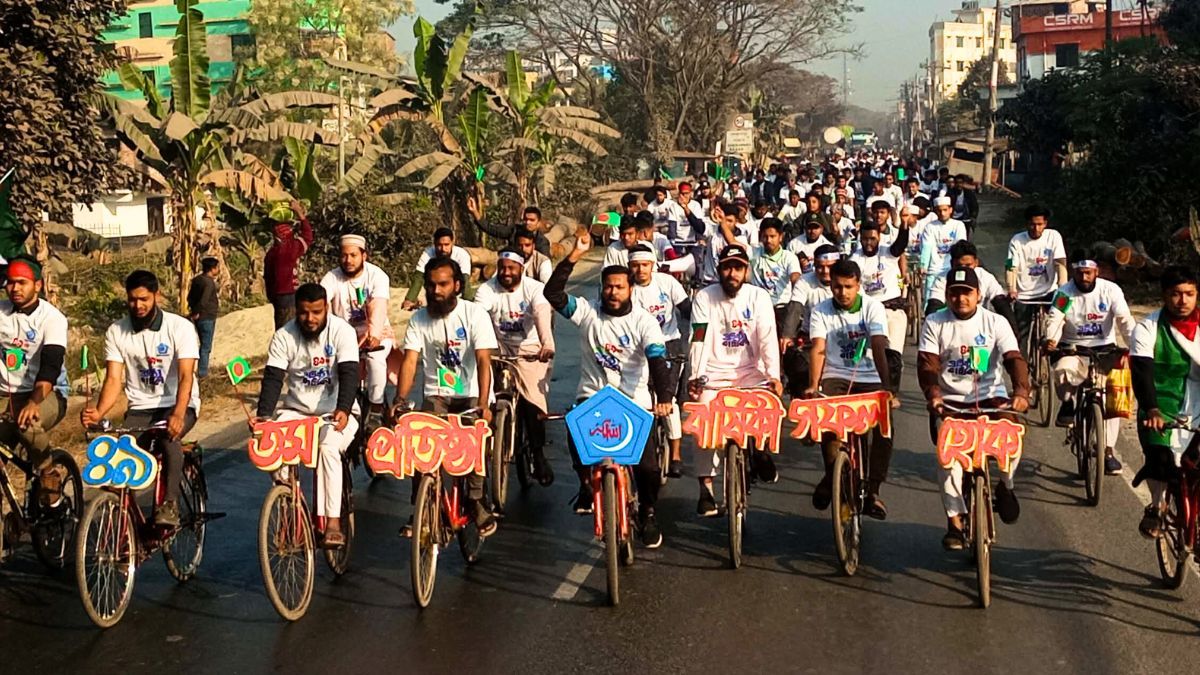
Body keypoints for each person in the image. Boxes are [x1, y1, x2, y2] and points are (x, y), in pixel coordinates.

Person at [543, 229, 673, 548]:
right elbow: (553, 294)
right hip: (593, 399)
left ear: (631, 289)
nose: (613, 292)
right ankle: (587, 486)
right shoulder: (587, 312)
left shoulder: (644, 322)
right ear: (601, 289)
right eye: (608, 287)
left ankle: (648, 512)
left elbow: (657, 361)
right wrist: (574, 255)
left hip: (634, 403)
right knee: (574, 431)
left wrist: (665, 398)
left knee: (648, 468)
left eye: (619, 287)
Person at [918, 266, 1029, 549]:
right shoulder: (935, 322)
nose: (961, 299)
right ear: (947, 296)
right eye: (955, 293)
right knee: (948, 460)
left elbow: (1014, 358)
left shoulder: (995, 322)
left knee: (1012, 436)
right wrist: (933, 394)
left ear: (978, 294)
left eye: (967, 293)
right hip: (950, 402)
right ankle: (955, 522)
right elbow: (928, 365)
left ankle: (1006, 484)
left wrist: (1021, 391)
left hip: (991, 397)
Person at [82, 270, 199, 527]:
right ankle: (126, 521)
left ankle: (170, 503)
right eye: (133, 299)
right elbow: (114, 379)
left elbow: (185, 376)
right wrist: (99, 412)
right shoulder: (116, 331)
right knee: (121, 453)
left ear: (157, 296)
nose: (138, 305)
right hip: (140, 408)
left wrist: (178, 414)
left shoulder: (180, 328)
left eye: (144, 299)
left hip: (177, 404)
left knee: (169, 439)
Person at [395, 257, 498, 536]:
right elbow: (409, 361)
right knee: (421, 445)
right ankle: (421, 507)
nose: (436, 291)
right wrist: (400, 400)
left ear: (457, 286)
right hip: (437, 395)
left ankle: (475, 501)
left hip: (471, 394)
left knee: (475, 439)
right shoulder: (419, 319)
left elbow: (484, 361)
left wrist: (483, 404)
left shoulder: (474, 314)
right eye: (431, 285)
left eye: (443, 285)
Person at [255, 283, 360, 547]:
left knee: (328, 448)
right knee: (273, 447)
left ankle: (333, 521)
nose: (310, 319)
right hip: (296, 412)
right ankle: (289, 505)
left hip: (336, 412)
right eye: (303, 312)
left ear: (326, 308)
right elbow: (273, 378)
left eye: (316, 312)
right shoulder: (284, 336)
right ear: (296, 310)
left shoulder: (342, 331)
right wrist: (263, 416)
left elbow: (350, 374)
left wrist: (344, 409)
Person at [687, 243, 783, 517]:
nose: (732, 274)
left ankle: (761, 451)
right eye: (727, 268)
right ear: (719, 270)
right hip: (713, 376)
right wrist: (695, 376)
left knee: (768, 407)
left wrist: (773, 376)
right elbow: (698, 338)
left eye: (738, 268)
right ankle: (706, 488)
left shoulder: (759, 297)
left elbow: (767, 338)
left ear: (746, 270)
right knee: (702, 421)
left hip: (751, 374)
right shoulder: (704, 298)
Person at [805, 258, 896, 517]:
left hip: (869, 376)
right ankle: (832, 474)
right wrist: (813, 386)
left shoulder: (873, 307)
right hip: (835, 376)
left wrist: (887, 388)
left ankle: (874, 489)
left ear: (858, 286)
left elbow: (878, 345)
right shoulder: (821, 311)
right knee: (828, 423)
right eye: (837, 287)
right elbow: (818, 348)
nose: (842, 293)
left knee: (885, 426)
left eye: (848, 287)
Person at [1044, 252, 1136, 474]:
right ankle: (1068, 403)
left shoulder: (1111, 290)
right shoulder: (1065, 293)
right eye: (1080, 273)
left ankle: (1108, 450)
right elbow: (1055, 318)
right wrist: (1051, 339)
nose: (1084, 278)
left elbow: (1124, 320)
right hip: (1073, 348)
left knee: (1112, 399)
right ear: (1074, 272)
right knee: (1063, 369)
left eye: (1088, 273)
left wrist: (1135, 346)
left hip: (1105, 350)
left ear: (1096, 272)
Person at [473, 247, 556, 485]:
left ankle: (538, 454)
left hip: (530, 351)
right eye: (502, 268)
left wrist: (547, 343)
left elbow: (542, 313)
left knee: (533, 404)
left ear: (521, 268)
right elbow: (478, 315)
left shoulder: (534, 289)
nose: (506, 272)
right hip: (497, 349)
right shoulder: (487, 289)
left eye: (511, 268)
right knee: (482, 395)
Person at [1131, 266, 1200, 538]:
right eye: (1175, 294)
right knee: (1160, 457)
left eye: (1189, 294)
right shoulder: (1148, 328)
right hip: (1159, 401)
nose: (1183, 301)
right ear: (1164, 295)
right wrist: (1152, 409)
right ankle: (1157, 505)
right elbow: (1142, 372)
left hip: (1197, 399)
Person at [0, 257, 68, 505]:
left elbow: (50, 368)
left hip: (47, 393)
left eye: (22, 282)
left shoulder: (52, 319)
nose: (15, 288)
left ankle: (48, 469)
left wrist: (33, 402)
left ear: (38, 285)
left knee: (28, 424)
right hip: (6, 395)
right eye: (10, 282)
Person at [628, 245, 692, 477]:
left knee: (668, 400)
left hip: (669, 345)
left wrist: (697, 335)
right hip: (637, 349)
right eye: (635, 265)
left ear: (653, 265)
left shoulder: (667, 283)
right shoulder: (627, 289)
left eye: (645, 265)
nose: (641, 270)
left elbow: (688, 311)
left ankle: (675, 454)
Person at [322, 235, 394, 422]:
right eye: (344, 255)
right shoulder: (331, 277)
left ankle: (377, 408)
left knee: (375, 359)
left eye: (353, 255)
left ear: (364, 256)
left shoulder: (377, 276)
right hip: (344, 337)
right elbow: (321, 303)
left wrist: (374, 335)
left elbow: (378, 307)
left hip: (377, 332)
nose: (348, 260)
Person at [849, 221, 908, 384]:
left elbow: (901, 245)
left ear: (879, 237)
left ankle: (892, 391)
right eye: (865, 239)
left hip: (892, 311)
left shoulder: (888, 252)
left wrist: (904, 225)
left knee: (893, 356)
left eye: (872, 239)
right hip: (870, 312)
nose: (869, 243)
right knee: (871, 357)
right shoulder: (855, 259)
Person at [1007, 204, 1068, 348]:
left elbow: (1060, 263)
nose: (1036, 228)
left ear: (1045, 223)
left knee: (1064, 316)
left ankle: (1059, 350)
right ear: (1027, 224)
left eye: (1040, 224)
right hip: (1024, 295)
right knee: (1020, 336)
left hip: (1049, 291)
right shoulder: (1017, 240)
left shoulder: (1054, 236)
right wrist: (1011, 288)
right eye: (1032, 224)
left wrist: (1064, 287)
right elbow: (1011, 266)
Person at [263, 200, 313, 329]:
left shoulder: (271, 253)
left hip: (278, 297)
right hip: (290, 295)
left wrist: (272, 298)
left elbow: (268, 278)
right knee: (291, 330)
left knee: (283, 329)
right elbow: (308, 236)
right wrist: (299, 213)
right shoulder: (291, 249)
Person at [747, 219, 802, 329]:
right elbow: (733, 243)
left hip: (782, 309)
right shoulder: (753, 252)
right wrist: (723, 223)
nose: (768, 240)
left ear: (781, 237)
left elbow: (795, 276)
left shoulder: (789, 257)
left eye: (772, 236)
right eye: (765, 236)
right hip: (758, 308)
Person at [404, 228, 476, 309]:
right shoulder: (428, 253)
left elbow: (465, 280)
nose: (443, 249)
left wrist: (469, 303)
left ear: (452, 242)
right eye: (439, 245)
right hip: (435, 293)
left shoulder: (462, 255)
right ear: (434, 243)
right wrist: (410, 299)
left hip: (455, 294)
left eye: (446, 245)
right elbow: (418, 277)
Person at [467, 197, 551, 255]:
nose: (528, 222)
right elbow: (492, 229)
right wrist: (474, 211)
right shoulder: (514, 230)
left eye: (532, 220)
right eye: (526, 219)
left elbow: (545, 264)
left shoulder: (542, 242)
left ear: (538, 222)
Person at [918, 196, 966, 294]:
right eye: (939, 210)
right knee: (930, 299)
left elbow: (961, 247)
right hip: (934, 270)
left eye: (945, 210)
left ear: (950, 210)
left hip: (952, 269)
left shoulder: (958, 225)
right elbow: (926, 248)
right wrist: (923, 266)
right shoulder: (930, 227)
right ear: (936, 211)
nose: (942, 213)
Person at [187, 257, 219, 378]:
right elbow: (204, 300)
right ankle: (202, 373)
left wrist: (193, 311)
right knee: (206, 346)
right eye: (217, 267)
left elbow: (190, 297)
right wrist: (197, 311)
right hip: (207, 316)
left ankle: (199, 369)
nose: (218, 270)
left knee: (202, 345)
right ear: (212, 269)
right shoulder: (209, 283)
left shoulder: (197, 280)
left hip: (199, 317)